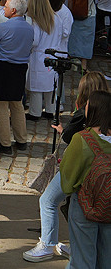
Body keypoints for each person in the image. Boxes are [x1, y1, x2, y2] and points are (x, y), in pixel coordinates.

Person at [23, 72, 108, 262]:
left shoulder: (83, 133)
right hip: (102, 180)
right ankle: (77, 246)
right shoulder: (107, 114)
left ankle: (47, 244)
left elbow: (71, 145)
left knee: (48, 200)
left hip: (82, 170)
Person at [58, 89, 111, 269]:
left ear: (93, 109)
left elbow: (67, 180)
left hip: (85, 205)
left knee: (83, 259)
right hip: (110, 206)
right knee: (107, 259)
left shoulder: (82, 139)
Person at [0, 0, 34, 154]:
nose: (4, 9)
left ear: (13, 10)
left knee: (1, 107)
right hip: (20, 67)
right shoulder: (29, 27)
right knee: (17, 104)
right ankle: (21, 140)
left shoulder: (3, 27)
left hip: (2, 67)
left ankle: (5, 142)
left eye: (6, 7)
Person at [26, 0, 69, 120]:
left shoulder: (36, 21)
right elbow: (62, 34)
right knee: (51, 85)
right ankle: (51, 110)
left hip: (39, 55)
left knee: (36, 87)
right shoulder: (56, 18)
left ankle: (35, 112)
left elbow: (35, 41)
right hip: (53, 54)